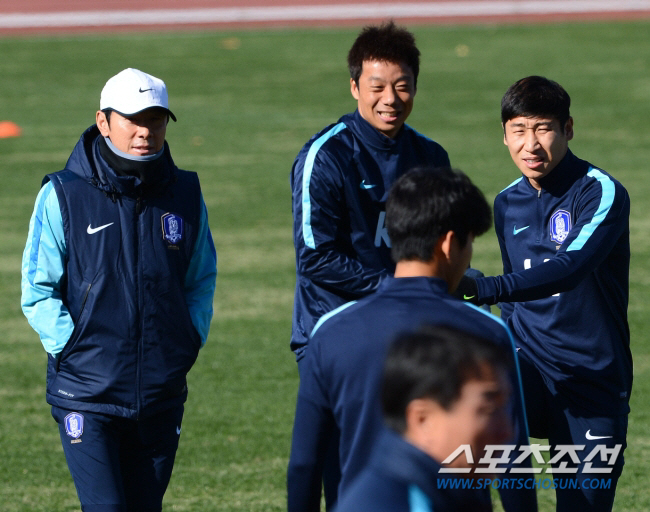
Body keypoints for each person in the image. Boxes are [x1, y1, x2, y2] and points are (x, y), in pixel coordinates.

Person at [20, 68, 217, 511]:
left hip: (161, 392)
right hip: (87, 395)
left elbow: (200, 278)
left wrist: (187, 338)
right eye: (133, 119)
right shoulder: (63, 194)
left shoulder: (185, 192)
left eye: (156, 119)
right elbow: (37, 288)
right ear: (103, 121)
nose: (145, 131)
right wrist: (73, 347)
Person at [287, 168, 537, 512]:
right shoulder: (486, 333)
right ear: (450, 244)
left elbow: (305, 463)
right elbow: (510, 459)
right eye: (471, 243)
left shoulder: (330, 332)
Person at [456, 76, 631, 511]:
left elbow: (569, 269)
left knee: (583, 504)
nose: (530, 144)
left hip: (589, 379)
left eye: (542, 128)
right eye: (519, 130)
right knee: (468, 408)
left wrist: (486, 288)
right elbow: (519, 291)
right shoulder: (505, 203)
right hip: (528, 366)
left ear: (568, 129)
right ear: (504, 136)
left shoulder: (601, 192)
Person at [290, 21, 450, 363]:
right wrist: (395, 289)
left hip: (411, 336)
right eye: (376, 87)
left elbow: (441, 244)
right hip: (338, 335)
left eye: (402, 86)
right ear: (354, 87)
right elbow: (315, 257)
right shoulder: (326, 156)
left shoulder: (432, 157)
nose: (390, 99)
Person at [334, 325, 513, 512]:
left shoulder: (450, 491)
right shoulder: (398, 505)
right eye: (490, 410)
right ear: (423, 420)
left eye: (504, 407)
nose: (507, 431)